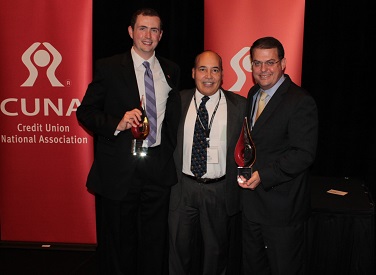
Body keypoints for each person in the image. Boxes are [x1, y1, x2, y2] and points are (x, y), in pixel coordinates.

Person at [76, 8, 180, 275]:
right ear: (131, 32)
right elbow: (85, 112)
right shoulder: (109, 67)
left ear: (161, 35)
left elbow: (172, 118)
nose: (148, 35)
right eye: (143, 28)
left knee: (155, 243)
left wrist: (165, 151)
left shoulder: (171, 70)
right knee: (119, 245)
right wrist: (117, 123)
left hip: (157, 169)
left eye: (154, 30)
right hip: (119, 170)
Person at [237, 37, 318, 274]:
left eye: (270, 62)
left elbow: (303, 154)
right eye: (257, 63)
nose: (263, 70)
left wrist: (264, 175)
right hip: (252, 206)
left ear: (283, 63)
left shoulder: (301, 101)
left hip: (282, 210)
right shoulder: (252, 94)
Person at [168, 50, 247, 275]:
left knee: (216, 254)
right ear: (193, 73)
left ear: (223, 75)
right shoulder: (177, 102)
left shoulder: (240, 106)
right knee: (178, 252)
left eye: (215, 70)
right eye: (203, 69)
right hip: (182, 188)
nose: (209, 75)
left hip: (219, 191)